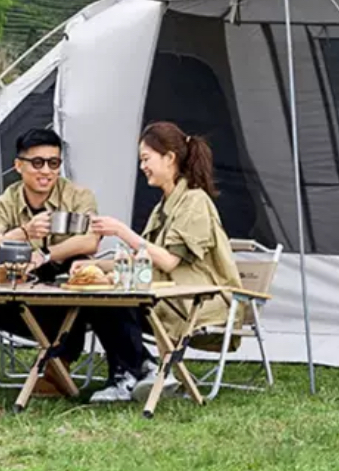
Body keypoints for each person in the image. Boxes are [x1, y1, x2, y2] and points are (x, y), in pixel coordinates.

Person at [0, 127, 141, 395]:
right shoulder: (4, 202)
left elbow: (90, 241)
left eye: (53, 163)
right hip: (14, 297)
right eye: (37, 163)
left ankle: (57, 369)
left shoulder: (78, 197)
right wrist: (24, 233)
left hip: (62, 303)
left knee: (79, 265)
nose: (46, 171)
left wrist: (46, 255)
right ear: (18, 165)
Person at [82, 121, 242, 403]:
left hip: (197, 300)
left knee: (114, 303)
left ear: (169, 157)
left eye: (146, 159)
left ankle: (140, 371)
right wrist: (92, 266)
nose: (142, 166)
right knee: (100, 298)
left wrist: (121, 231)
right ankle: (133, 373)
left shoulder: (195, 202)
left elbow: (168, 262)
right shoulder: (163, 206)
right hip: (164, 294)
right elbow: (144, 259)